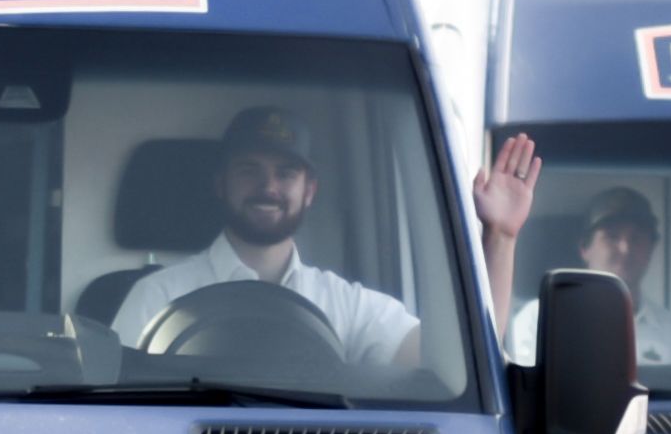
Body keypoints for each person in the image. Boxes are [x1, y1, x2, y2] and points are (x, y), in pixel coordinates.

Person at [110, 104, 449, 364]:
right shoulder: (157, 296)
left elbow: (441, 362)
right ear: (221, 183)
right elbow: (118, 410)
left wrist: (485, 235)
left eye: (286, 173)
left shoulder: (347, 304)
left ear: (309, 191)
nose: (268, 187)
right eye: (249, 170)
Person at [497, 182, 671, 365]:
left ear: (651, 249)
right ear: (585, 248)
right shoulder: (539, 320)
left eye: (637, 238)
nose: (625, 248)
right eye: (611, 236)